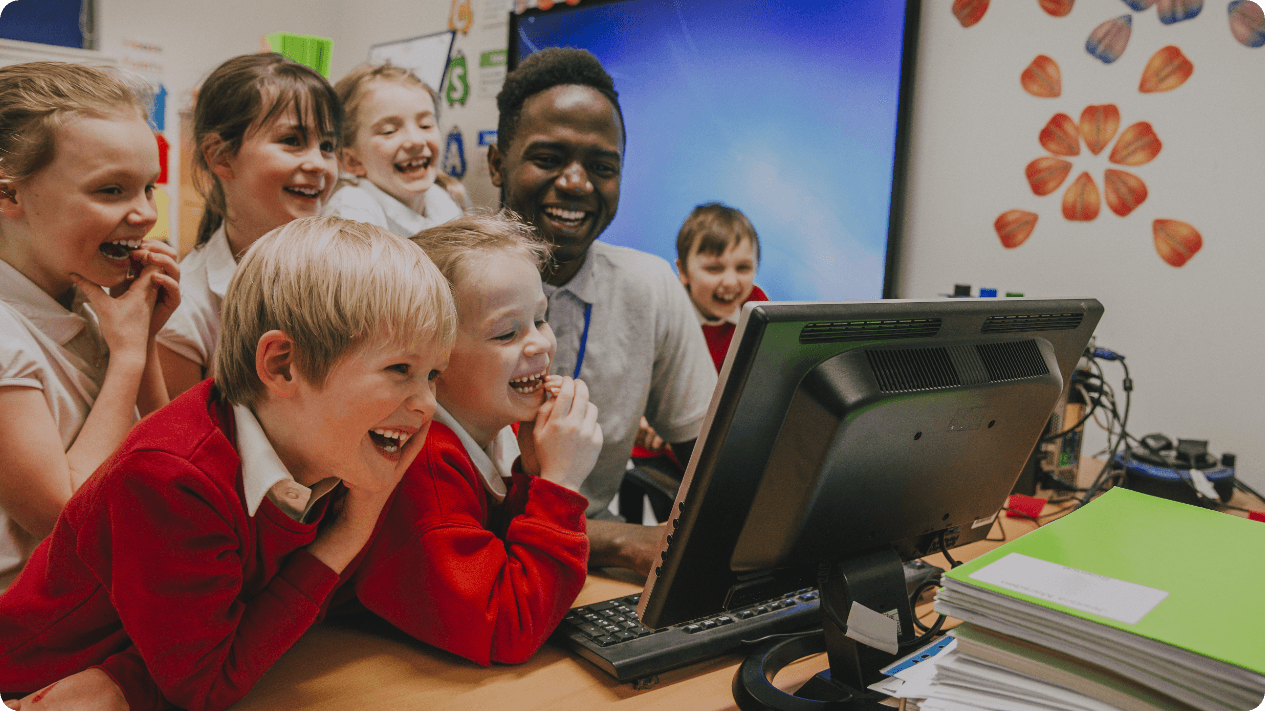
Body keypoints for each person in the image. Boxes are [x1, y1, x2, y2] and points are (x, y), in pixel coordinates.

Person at [0, 216, 454, 711]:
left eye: (433, 375)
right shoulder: (171, 479)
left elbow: (316, 609)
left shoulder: (336, 446)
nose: (427, 402)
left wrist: (125, 681)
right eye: (400, 370)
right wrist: (350, 532)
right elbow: (206, 686)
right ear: (281, 364)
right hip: (33, 687)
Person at [487, 48, 717, 575]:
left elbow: (715, 466)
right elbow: (429, 513)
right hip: (471, 560)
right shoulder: (431, 282)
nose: (576, 183)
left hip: (589, 570)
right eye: (548, 158)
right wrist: (617, 541)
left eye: (602, 167)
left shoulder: (650, 285)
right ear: (498, 162)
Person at [0, 61, 181, 589]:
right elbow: (65, 519)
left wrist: (143, 342)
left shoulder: (89, 301)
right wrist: (126, 356)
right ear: (9, 196)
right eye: (110, 191)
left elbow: (165, 466)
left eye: (148, 188)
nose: (145, 213)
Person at [407, 211, 597, 663]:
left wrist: (531, 475)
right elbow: (506, 630)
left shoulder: (492, 432)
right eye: (507, 333)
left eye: (541, 320)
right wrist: (559, 486)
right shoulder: (424, 462)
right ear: (433, 360)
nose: (540, 345)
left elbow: (501, 561)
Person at [157, 53, 341, 399]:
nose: (319, 163)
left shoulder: (349, 273)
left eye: (328, 146)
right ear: (221, 156)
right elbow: (182, 446)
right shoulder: (185, 311)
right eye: (292, 140)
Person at [325, 63, 462, 236]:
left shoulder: (440, 200)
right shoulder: (350, 212)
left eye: (425, 125)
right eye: (389, 131)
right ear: (352, 161)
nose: (415, 141)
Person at [674, 202, 768, 372]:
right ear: (683, 272)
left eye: (743, 268)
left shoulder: (757, 305)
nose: (731, 282)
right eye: (714, 269)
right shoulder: (670, 312)